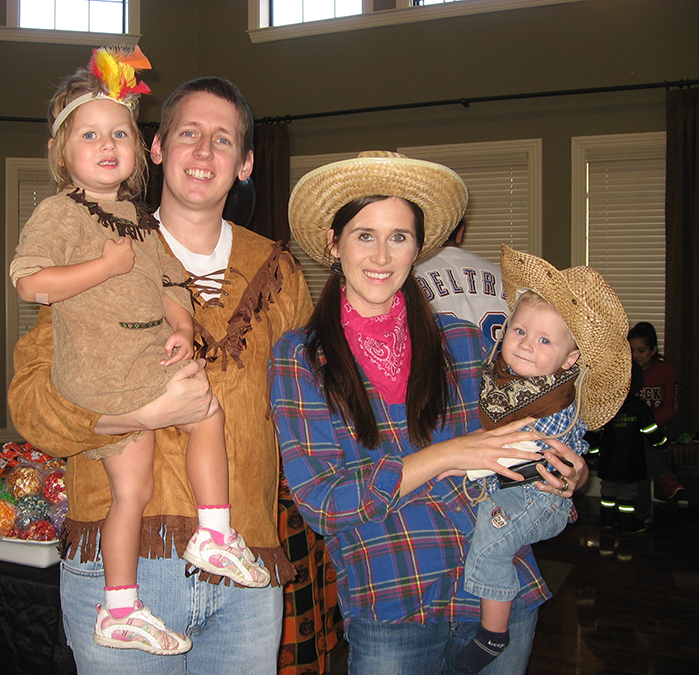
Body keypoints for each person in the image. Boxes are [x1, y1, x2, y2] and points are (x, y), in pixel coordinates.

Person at [7, 75, 314, 673]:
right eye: (188, 134)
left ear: (246, 163)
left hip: (246, 567)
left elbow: (311, 399)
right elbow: (32, 403)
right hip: (122, 574)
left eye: (223, 140)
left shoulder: (279, 272)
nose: (204, 152)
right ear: (155, 147)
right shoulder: (92, 249)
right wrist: (135, 417)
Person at [270, 151, 587, 675]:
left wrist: (563, 470)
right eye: (363, 234)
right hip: (395, 596)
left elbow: (531, 425)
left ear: (418, 248)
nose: (381, 254)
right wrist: (445, 456)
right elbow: (323, 502)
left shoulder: (463, 342)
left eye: (399, 236)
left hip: (500, 591)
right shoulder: (301, 356)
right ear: (334, 242)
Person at [455, 246, 630, 673]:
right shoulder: (504, 377)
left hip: (538, 496)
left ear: (570, 360)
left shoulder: (554, 399)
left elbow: (526, 452)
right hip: (517, 489)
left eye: (545, 340)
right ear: (503, 329)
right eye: (519, 332)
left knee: (490, 542)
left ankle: (493, 635)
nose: (527, 346)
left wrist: (458, 461)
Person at [588, 361, 669, 535]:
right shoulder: (640, 407)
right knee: (628, 493)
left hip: (608, 459)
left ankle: (607, 520)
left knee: (608, 491)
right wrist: (663, 443)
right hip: (631, 460)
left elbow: (594, 430)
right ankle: (626, 523)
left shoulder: (606, 405)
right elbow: (651, 430)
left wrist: (593, 453)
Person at [414, 220, 507, 354]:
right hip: (499, 372)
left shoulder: (406, 277)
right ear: (460, 232)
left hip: (437, 373)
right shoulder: (506, 279)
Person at [628, 321, 685, 503]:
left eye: (641, 351)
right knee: (639, 443)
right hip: (632, 427)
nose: (635, 356)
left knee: (643, 441)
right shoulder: (624, 372)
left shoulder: (666, 371)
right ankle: (665, 479)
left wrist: (648, 424)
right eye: (631, 351)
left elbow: (671, 411)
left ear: (653, 350)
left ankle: (641, 510)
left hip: (660, 427)